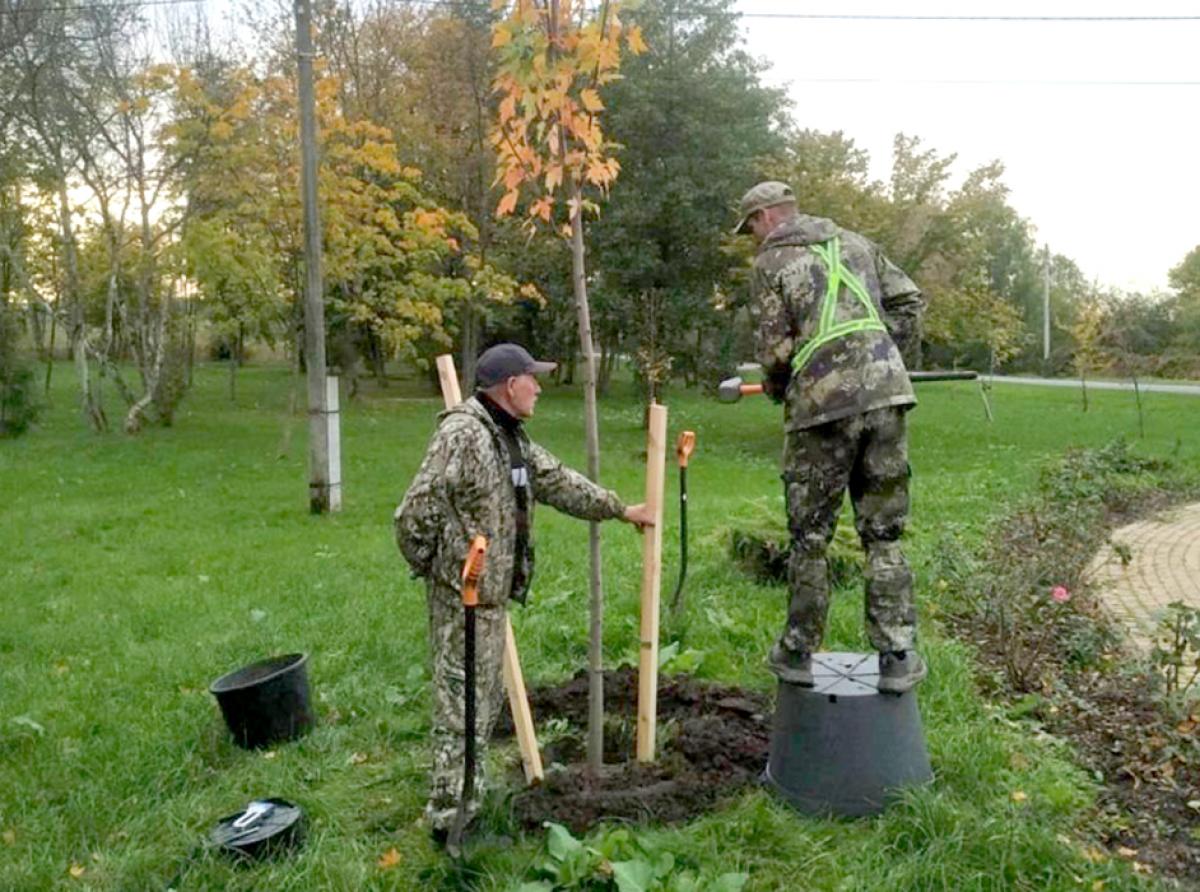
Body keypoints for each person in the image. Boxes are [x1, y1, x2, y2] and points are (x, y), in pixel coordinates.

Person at [394, 343, 654, 844]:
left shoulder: (507, 437)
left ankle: (467, 806)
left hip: (488, 602)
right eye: (532, 378)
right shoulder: (463, 434)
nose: (539, 386)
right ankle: (450, 824)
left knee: (481, 706)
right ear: (510, 385)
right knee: (460, 712)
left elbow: (555, 480)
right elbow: (413, 514)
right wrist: (442, 572)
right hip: (462, 602)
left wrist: (620, 509)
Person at [733, 181, 926, 694]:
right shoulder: (857, 243)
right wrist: (883, 356)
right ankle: (897, 655)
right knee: (884, 533)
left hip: (821, 408)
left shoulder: (771, 265)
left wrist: (780, 389)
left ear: (769, 215)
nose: (752, 235)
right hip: (887, 397)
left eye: (751, 223)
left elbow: (774, 352)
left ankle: (798, 650)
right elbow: (909, 301)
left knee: (810, 536)